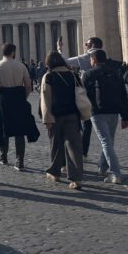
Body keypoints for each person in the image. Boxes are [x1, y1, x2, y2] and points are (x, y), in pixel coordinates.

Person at [81, 49, 128, 184]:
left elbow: (82, 96)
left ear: (94, 60)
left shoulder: (89, 74)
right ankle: (102, 168)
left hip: (97, 112)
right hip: (114, 111)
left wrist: (83, 113)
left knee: (106, 142)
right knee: (109, 141)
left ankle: (115, 173)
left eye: (91, 59)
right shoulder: (116, 73)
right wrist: (125, 116)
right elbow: (123, 95)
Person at [41, 50, 87, 190]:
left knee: (56, 145)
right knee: (75, 147)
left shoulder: (49, 76)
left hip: (56, 116)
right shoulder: (74, 75)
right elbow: (81, 93)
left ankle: (55, 173)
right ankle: (77, 179)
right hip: (73, 114)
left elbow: (46, 99)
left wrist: (47, 119)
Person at [0, 43, 33, 170]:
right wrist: (24, 98)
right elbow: (28, 85)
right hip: (18, 99)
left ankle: (3, 155)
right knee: (19, 131)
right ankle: (20, 161)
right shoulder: (21, 66)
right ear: (13, 52)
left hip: (3, 99)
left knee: (2, 127)